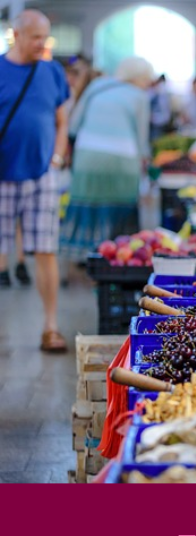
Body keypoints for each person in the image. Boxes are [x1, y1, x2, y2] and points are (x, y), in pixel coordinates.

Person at [0, 9, 70, 352]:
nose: (42, 44)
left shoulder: (52, 72)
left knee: (45, 249)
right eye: (35, 37)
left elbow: (61, 121)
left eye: (45, 36)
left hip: (42, 174)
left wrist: (56, 158)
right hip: (2, 176)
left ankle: (51, 327)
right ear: (17, 35)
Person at [59, 57, 153, 263]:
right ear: (139, 78)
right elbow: (141, 138)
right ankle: (118, 257)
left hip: (87, 157)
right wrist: (146, 164)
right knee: (121, 210)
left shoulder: (97, 86)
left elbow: (74, 125)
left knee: (87, 204)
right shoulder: (140, 97)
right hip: (123, 160)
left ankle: (83, 256)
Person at [150, 74, 172, 140]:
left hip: (158, 120)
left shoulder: (160, 90)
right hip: (159, 119)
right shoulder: (163, 90)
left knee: (157, 138)